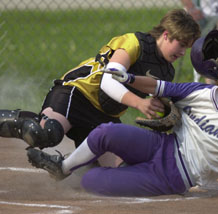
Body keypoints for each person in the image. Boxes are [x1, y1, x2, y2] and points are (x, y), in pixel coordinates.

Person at [26, 47, 218, 197]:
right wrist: (128, 77)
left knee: (92, 180)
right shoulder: (201, 92)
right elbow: (159, 86)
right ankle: (61, 168)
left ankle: (125, 176)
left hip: (175, 175)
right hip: (161, 145)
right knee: (106, 132)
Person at [0, 9, 200, 166]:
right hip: (78, 94)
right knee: (45, 134)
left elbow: (163, 102)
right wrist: (139, 103)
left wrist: (165, 113)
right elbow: (108, 81)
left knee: (120, 172)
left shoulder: (166, 72)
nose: (183, 52)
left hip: (105, 116)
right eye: (181, 44)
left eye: (187, 47)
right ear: (166, 35)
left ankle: (63, 165)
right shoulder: (135, 43)